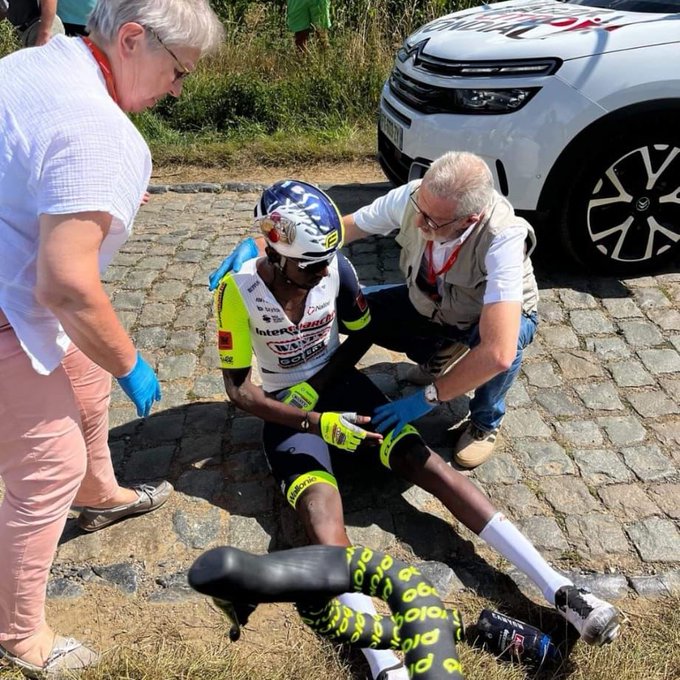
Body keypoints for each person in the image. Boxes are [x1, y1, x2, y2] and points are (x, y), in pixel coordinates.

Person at [213, 180, 621, 679]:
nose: (323, 272)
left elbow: (361, 332)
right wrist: (314, 420)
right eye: (310, 265)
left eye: (327, 261)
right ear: (276, 253)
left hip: (338, 389)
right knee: (322, 518)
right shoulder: (237, 291)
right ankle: (385, 665)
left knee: (430, 466)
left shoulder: (335, 267)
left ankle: (560, 588)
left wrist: (319, 392)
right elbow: (240, 392)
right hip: (287, 411)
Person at [0, 0, 224, 675]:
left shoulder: (38, 62)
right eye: (179, 71)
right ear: (131, 39)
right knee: (48, 467)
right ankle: (18, 634)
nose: (178, 89)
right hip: (8, 307)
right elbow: (67, 287)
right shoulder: (100, 129)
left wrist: (84, 191)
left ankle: (99, 496)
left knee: (84, 375)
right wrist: (131, 361)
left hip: (14, 278)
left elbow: (35, 160)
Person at [210, 151, 539, 470]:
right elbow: (343, 229)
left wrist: (427, 398)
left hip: (480, 318)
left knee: (504, 342)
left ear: (470, 220)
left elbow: (498, 352)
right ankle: (442, 349)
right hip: (429, 301)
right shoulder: (416, 198)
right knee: (350, 309)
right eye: (419, 208)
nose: (418, 221)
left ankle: (485, 422)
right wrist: (267, 245)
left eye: (432, 221)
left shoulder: (502, 238)